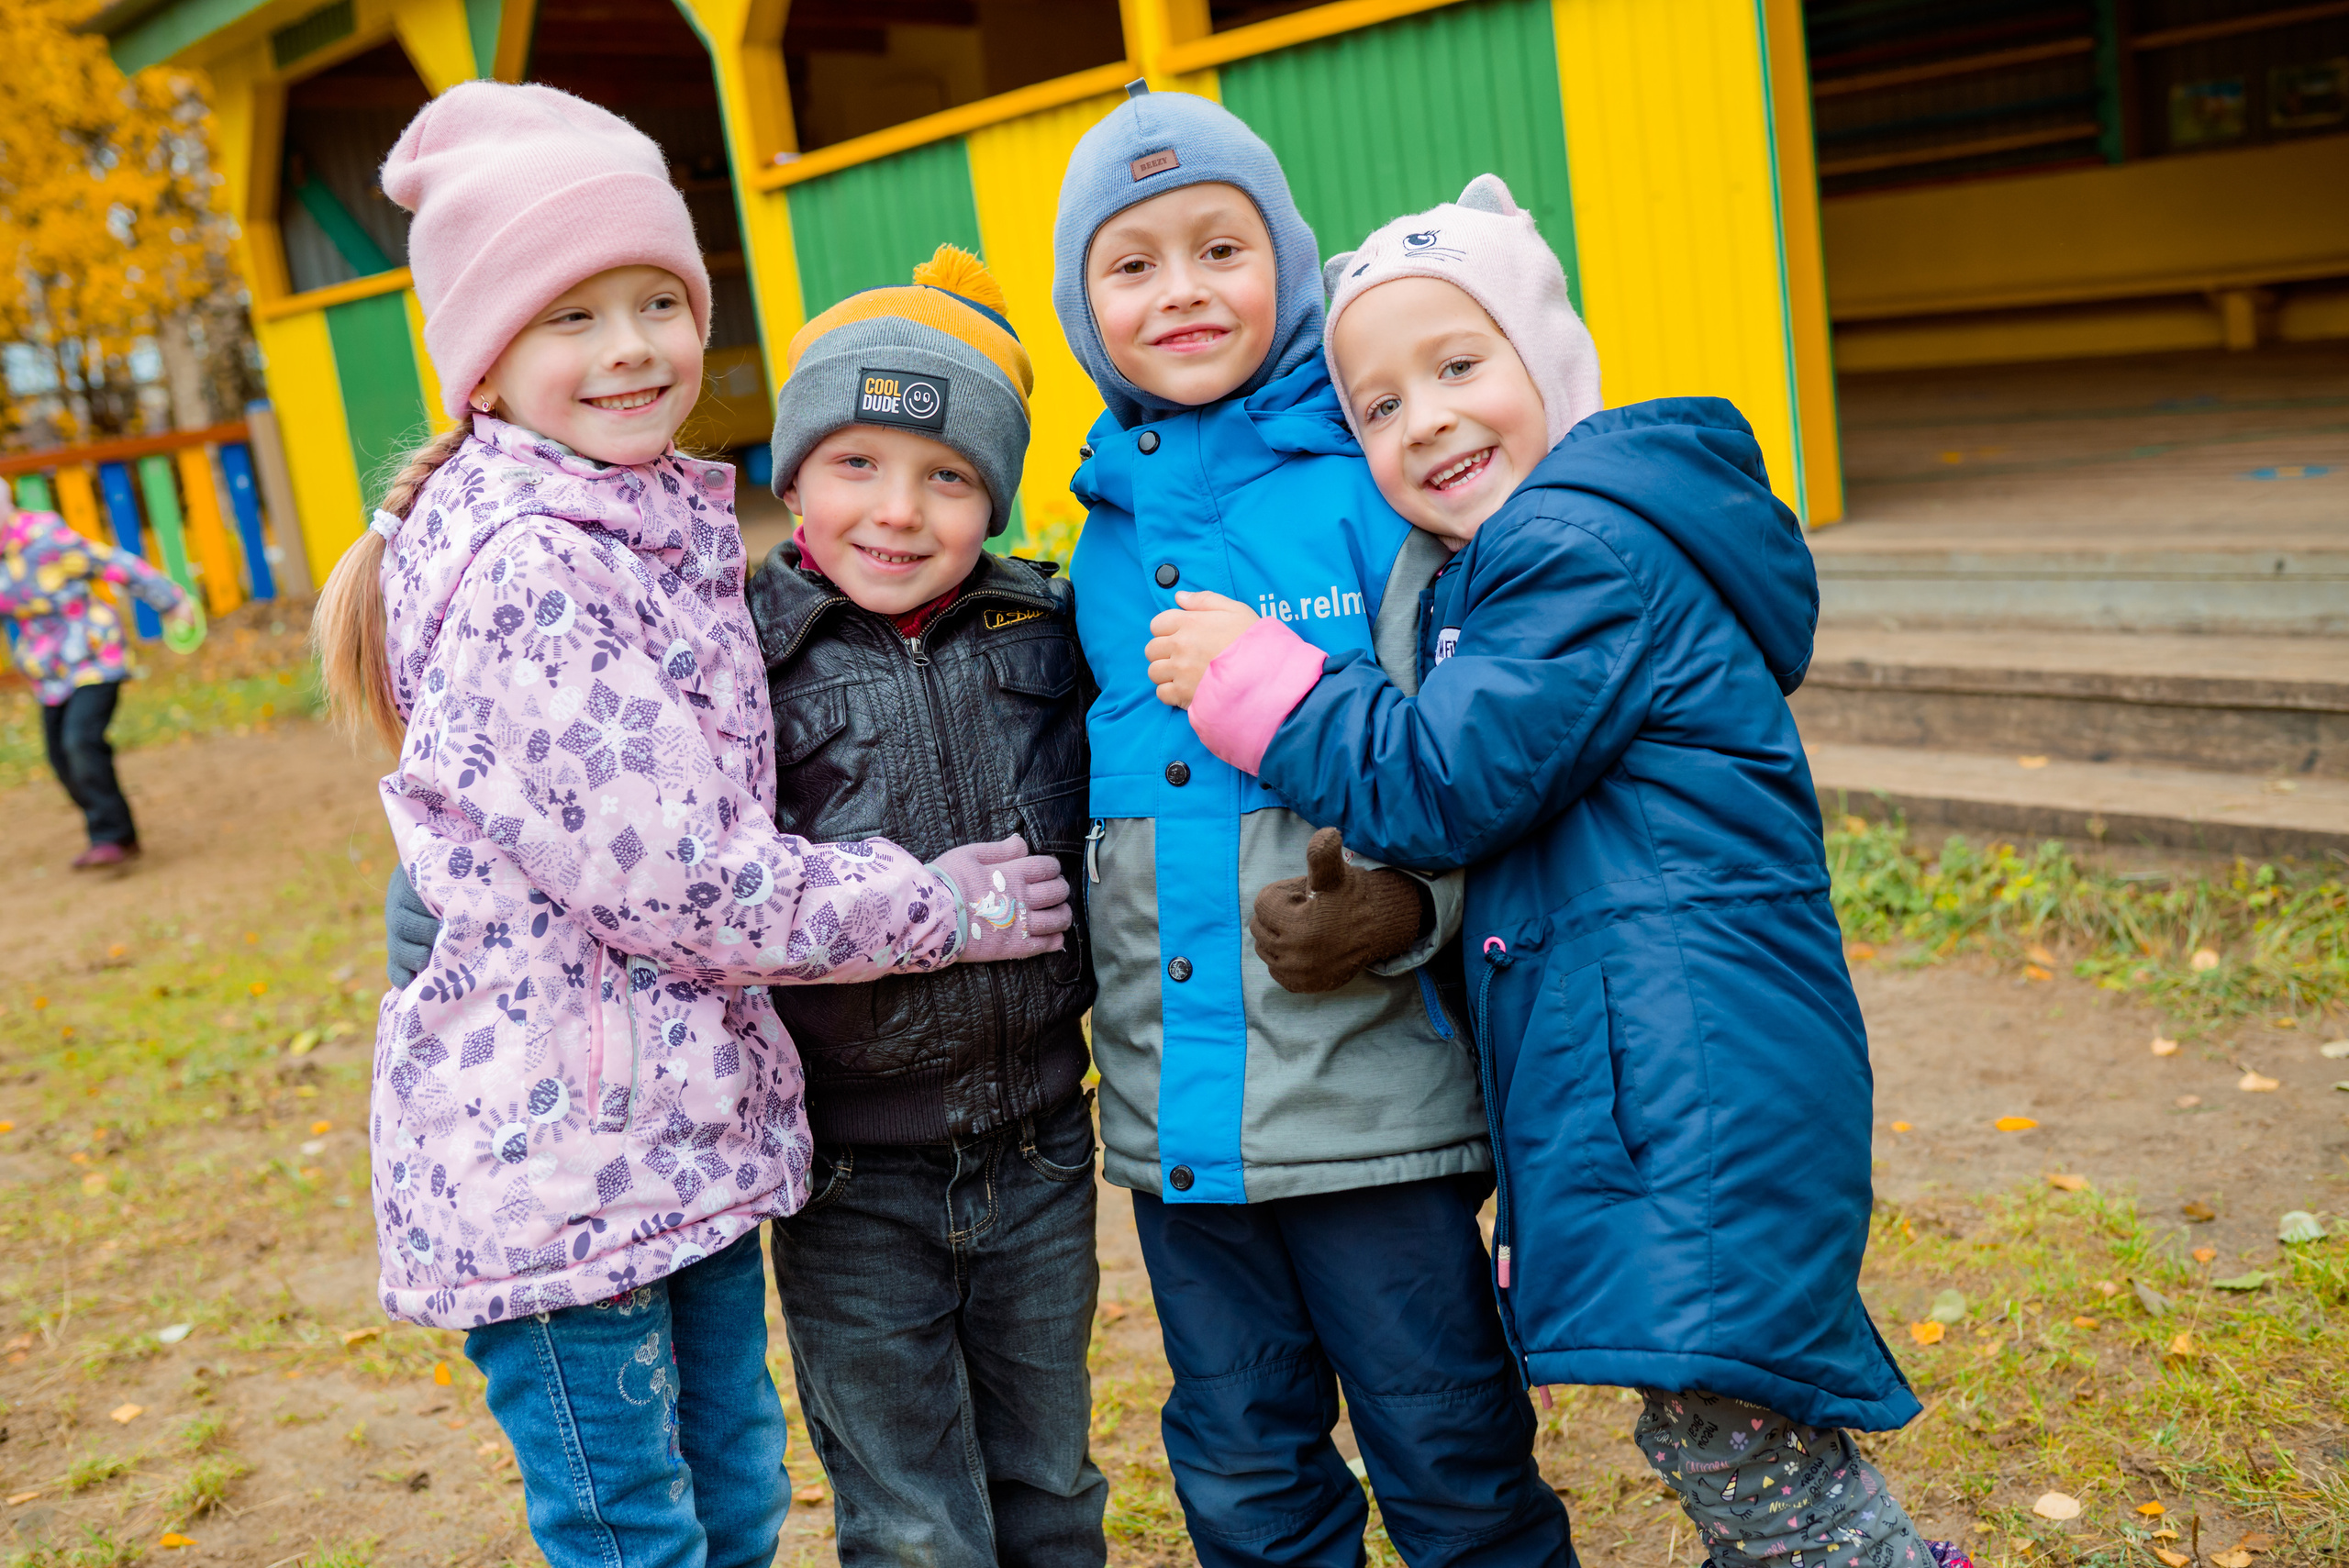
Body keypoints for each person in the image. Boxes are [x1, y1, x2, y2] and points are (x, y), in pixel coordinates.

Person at [1151, 175, 1975, 1568]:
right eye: (1382, 407)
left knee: (1738, 1430)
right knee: (1720, 1420)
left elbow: (1439, 781)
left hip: (1693, 1080)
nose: (1429, 421)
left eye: (1460, 366)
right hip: (1677, 1069)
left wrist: (1263, 686)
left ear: (1550, 361)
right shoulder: (1558, 552)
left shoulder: (1577, 552)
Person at [321, 83, 1068, 1568]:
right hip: (564, 1152)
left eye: (658, 298)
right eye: (573, 316)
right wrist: (946, 905)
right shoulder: (542, 561)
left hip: (674, 1132)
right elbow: (690, 881)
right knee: (638, 1526)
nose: (632, 348)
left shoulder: (644, 521)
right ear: (484, 354)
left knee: (732, 1491)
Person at [1052, 89, 1575, 1567]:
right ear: (1086, 308)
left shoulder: (1378, 487)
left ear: (1286, 259)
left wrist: (1410, 910)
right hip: (1181, 1129)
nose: (1183, 290)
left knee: (1454, 1450)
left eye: (1220, 246)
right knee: (1241, 1464)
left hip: (1377, 1108)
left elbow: (1475, 756)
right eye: (1132, 262)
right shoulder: (1096, 533)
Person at [0, 491, 193, 869]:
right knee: (61, 758)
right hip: (49, 670)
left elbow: (115, 563)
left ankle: (113, 836)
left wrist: (171, 601)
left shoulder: (45, 540)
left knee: (80, 741)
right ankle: (109, 828)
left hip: (94, 654)